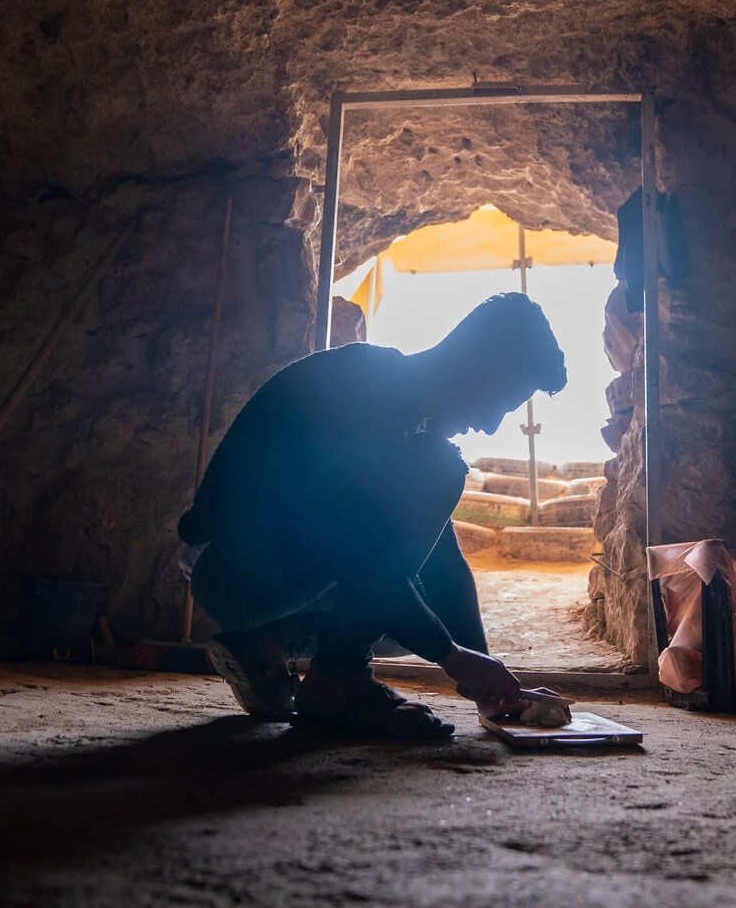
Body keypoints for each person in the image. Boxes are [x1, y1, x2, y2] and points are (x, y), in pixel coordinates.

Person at [178, 292, 568, 739]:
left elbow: (443, 564)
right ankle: (336, 686)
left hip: (261, 562)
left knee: (415, 610)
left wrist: (487, 677)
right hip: (229, 566)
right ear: (479, 366)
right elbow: (354, 555)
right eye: (501, 401)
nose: (491, 425)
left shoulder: (405, 413)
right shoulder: (368, 389)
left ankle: (263, 644)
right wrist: (451, 654)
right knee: (434, 492)